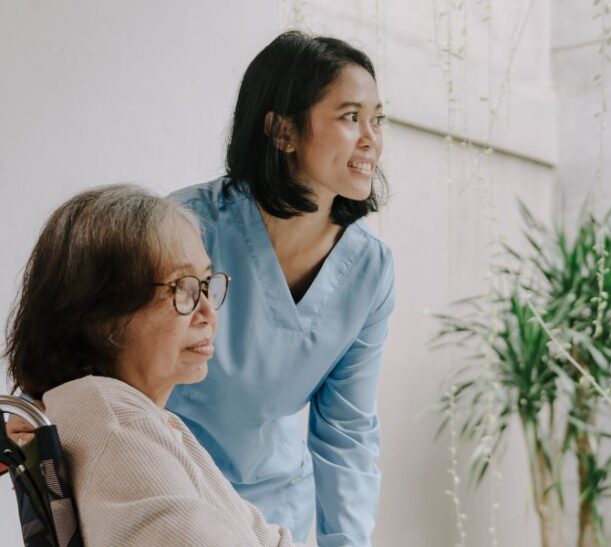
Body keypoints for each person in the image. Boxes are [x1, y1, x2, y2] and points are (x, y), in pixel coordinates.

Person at [166, 30, 395, 546]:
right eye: (350, 116)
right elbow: (110, 361)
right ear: (282, 130)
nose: (371, 139)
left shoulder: (370, 269)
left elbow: (347, 432)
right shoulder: (184, 226)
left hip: (275, 514)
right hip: (171, 492)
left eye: (377, 119)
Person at [5, 185, 299, 547]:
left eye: (206, 284)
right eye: (182, 288)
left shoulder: (133, 415)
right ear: (102, 311)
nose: (208, 311)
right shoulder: (115, 423)